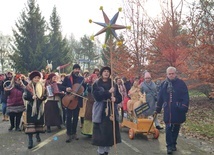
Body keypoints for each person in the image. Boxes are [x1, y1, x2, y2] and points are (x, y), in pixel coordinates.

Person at [155, 66, 189, 154]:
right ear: (167, 74)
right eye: (169, 74)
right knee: (168, 127)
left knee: (176, 127)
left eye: (172, 73)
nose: (171, 75)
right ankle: (169, 146)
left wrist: (183, 106)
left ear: (175, 74)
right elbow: (160, 97)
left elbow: (185, 96)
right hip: (168, 110)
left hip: (178, 109)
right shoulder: (164, 84)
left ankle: (173, 143)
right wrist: (158, 108)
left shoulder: (181, 83)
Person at [92, 66, 122, 155]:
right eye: (104, 71)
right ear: (101, 73)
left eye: (108, 71)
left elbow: (120, 97)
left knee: (110, 133)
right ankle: (100, 152)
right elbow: (97, 97)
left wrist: (115, 99)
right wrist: (108, 92)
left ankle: (106, 152)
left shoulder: (113, 84)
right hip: (101, 111)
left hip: (111, 111)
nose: (106, 73)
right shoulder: (96, 84)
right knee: (101, 133)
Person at [23, 71, 46, 149]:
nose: (37, 79)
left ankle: (38, 135)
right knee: (31, 125)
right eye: (35, 78)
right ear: (32, 78)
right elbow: (25, 96)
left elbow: (45, 95)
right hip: (31, 108)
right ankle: (30, 141)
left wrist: (43, 98)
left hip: (39, 107)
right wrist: (31, 98)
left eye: (38, 78)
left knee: (38, 123)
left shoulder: (42, 86)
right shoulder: (28, 87)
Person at [62, 64, 84, 142]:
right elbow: (61, 86)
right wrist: (66, 88)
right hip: (69, 100)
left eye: (78, 69)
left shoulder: (81, 78)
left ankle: (74, 133)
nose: (77, 70)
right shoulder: (67, 78)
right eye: (76, 69)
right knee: (68, 118)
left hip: (77, 101)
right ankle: (68, 133)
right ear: (73, 69)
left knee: (75, 118)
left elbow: (83, 89)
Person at [81, 69, 99, 137]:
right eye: (93, 78)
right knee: (89, 116)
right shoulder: (89, 86)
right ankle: (88, 132)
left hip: (96, 104)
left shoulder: (98, 86)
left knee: (95, 116)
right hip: (90, 103)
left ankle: (95, 132)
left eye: (95, 78)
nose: (95, 79)